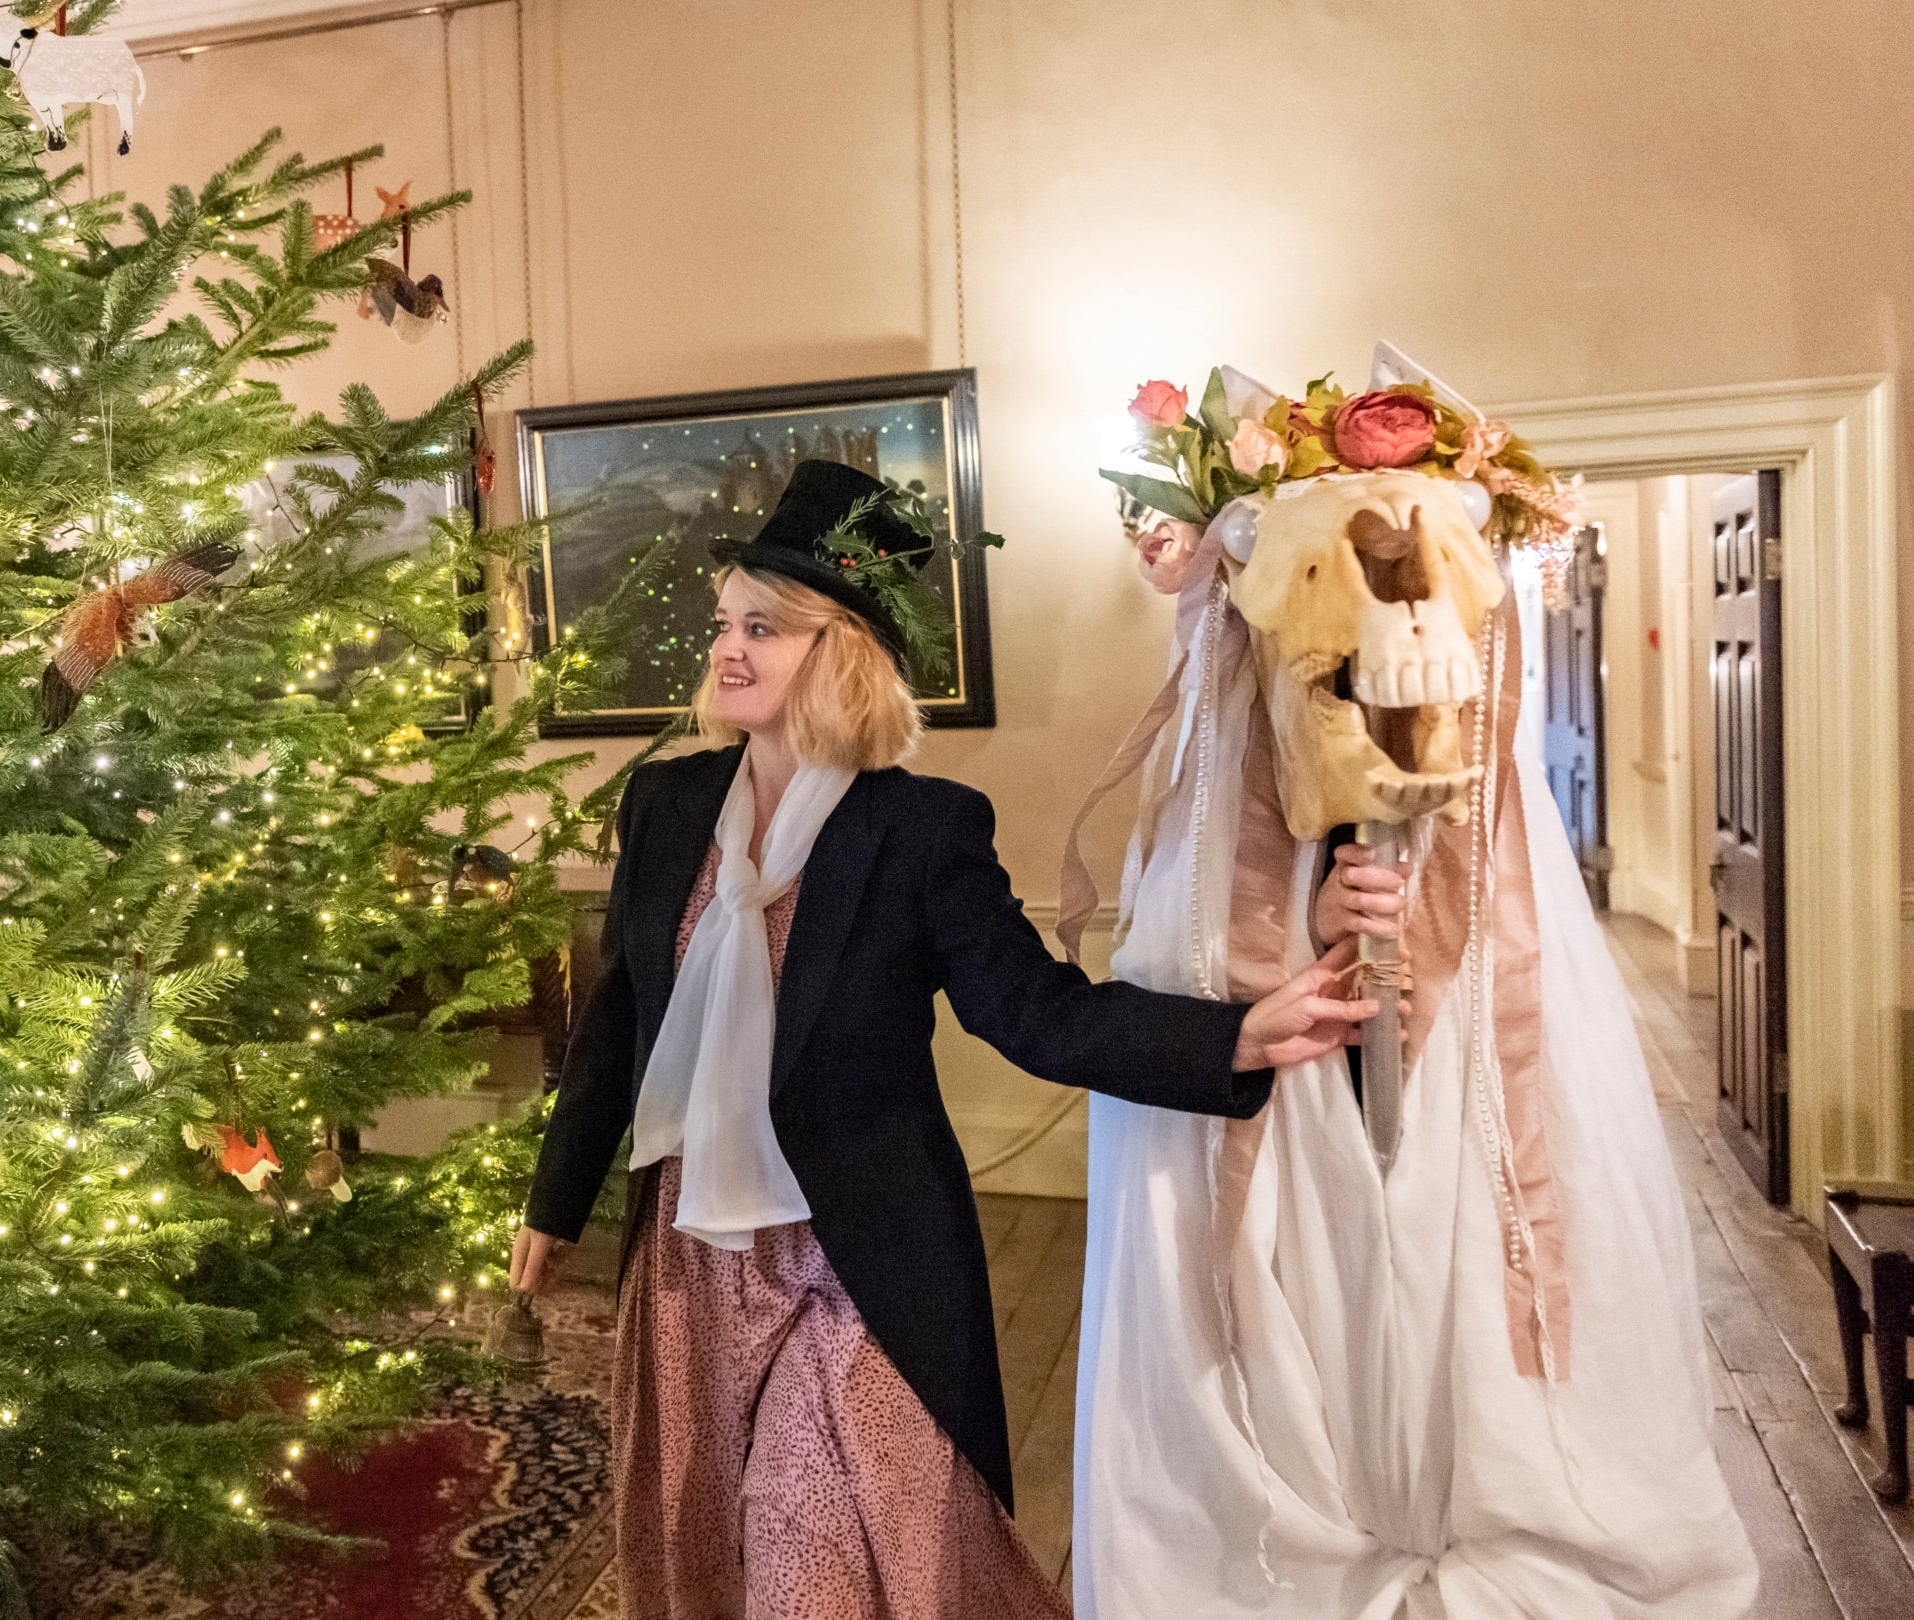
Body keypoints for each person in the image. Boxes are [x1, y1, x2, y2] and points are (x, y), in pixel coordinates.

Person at [508, 459, 1379, 1620]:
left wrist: (1232, 1039)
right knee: (712, 1553)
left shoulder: (919, 830)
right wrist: (554, 1202)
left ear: (841, 648)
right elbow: (621, 1020)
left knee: (815, 1572)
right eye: (727, 622)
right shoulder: (666, 807)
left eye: (763, 628)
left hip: (854, 1265)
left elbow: (1034, 1009)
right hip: (690, 1259)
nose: (728, 649)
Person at [1068, 359, 1757, 1618]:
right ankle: (1322, 1498)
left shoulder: (1444, 697)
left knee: (1445, 1223)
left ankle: (1447, 1486)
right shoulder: (1234, 732)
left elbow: (1431, 809)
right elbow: (1226, 869)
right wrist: (1306, 913)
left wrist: (1393, 901)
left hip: (1431, 1043)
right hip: (1289, 1065)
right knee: (1311, 1262)